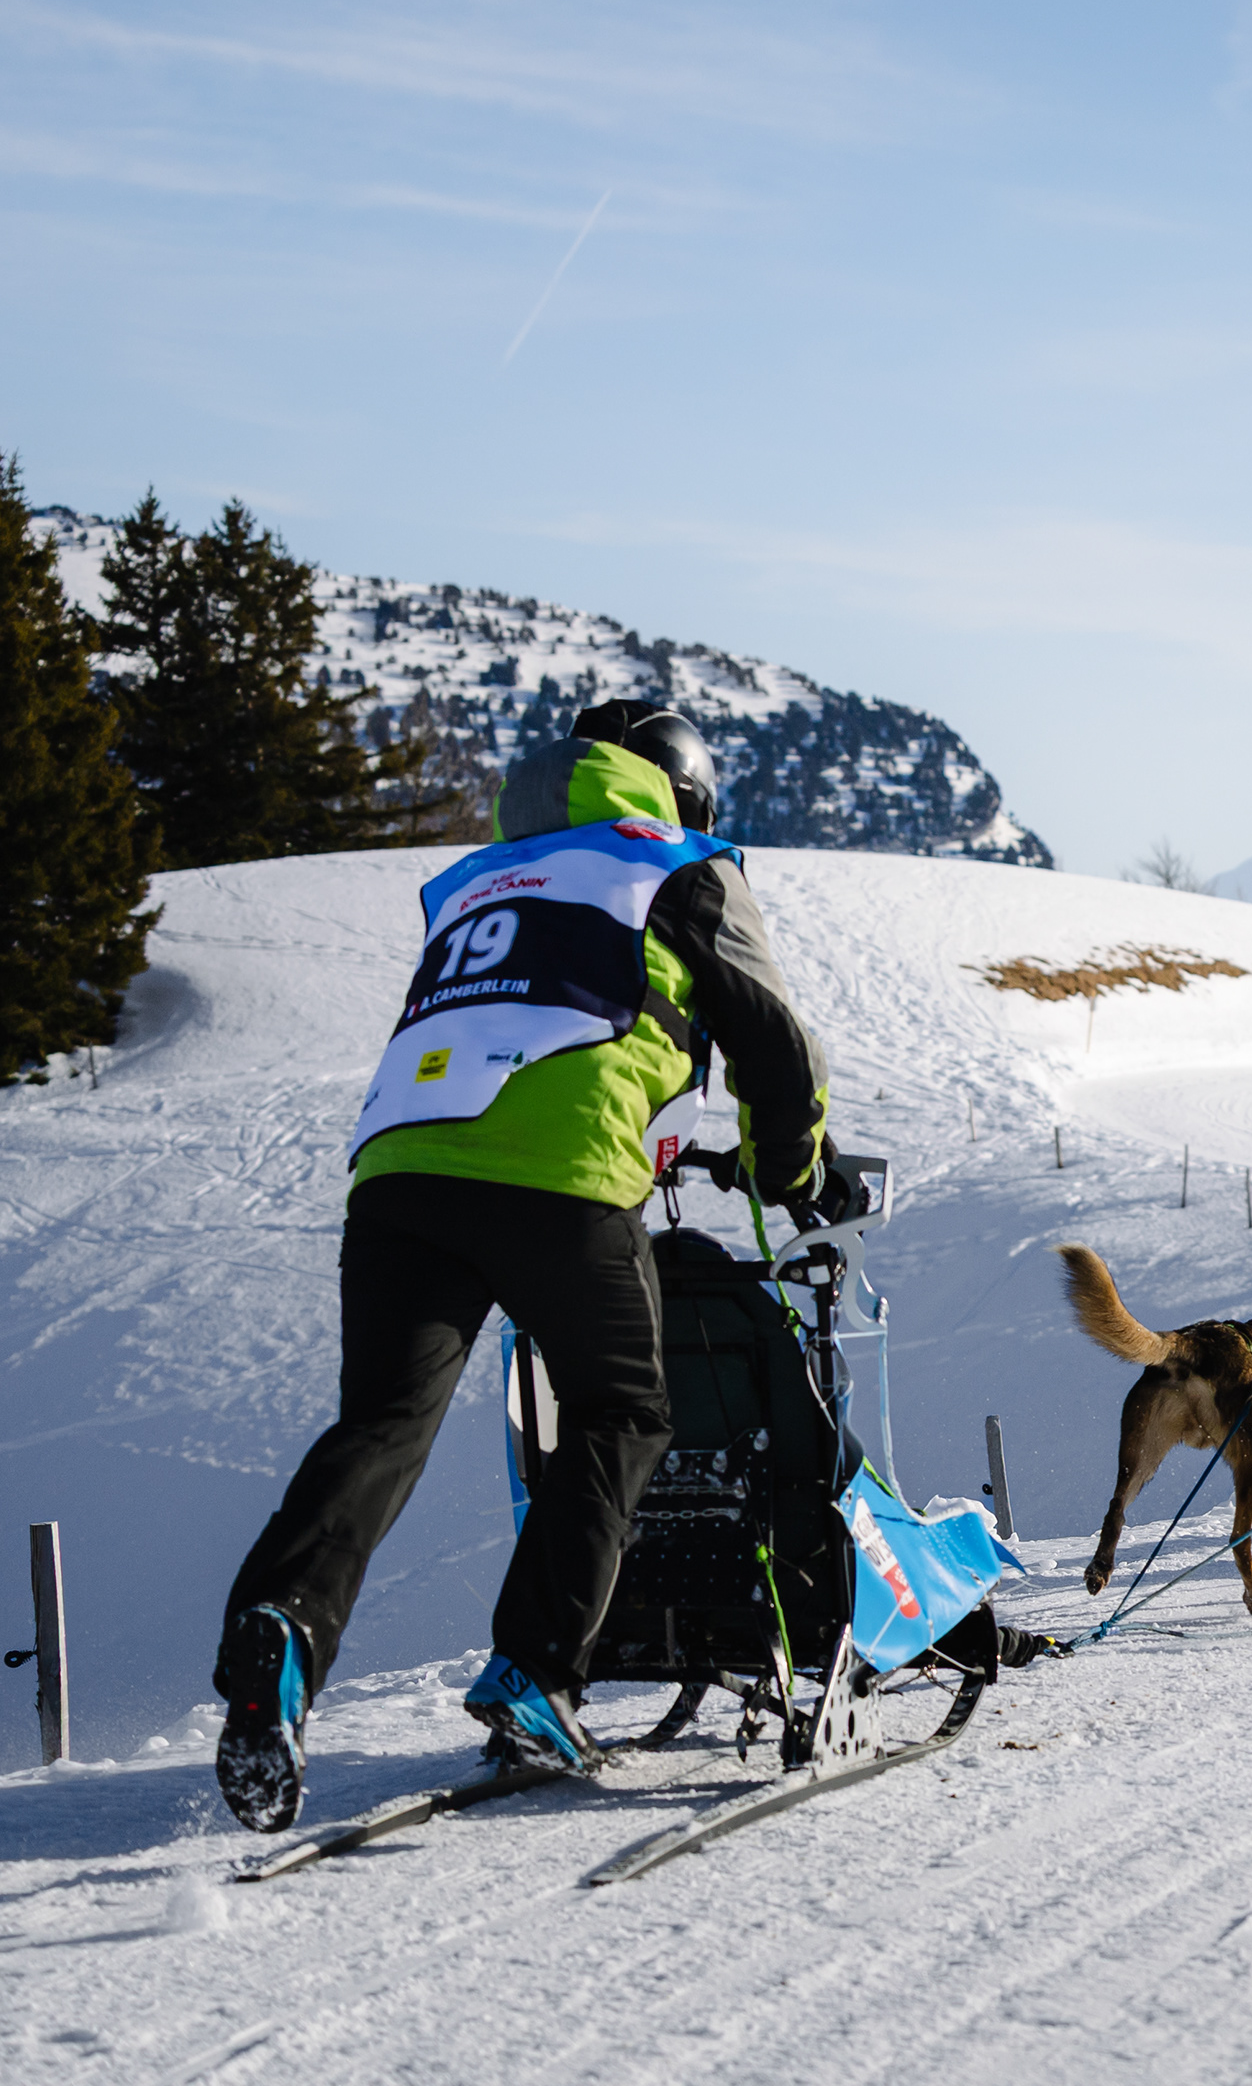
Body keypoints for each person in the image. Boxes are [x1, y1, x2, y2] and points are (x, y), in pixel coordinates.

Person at [210, 700, 872, 1833]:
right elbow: (773, 1040)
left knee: (382, 1425)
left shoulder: (484, 875)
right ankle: (536, 1673)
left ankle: (281, 1626)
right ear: (683, 790)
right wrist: (795, 1168)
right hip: (559, 1170)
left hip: (401, 1166)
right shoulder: (676, 861)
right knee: (623, 1407)